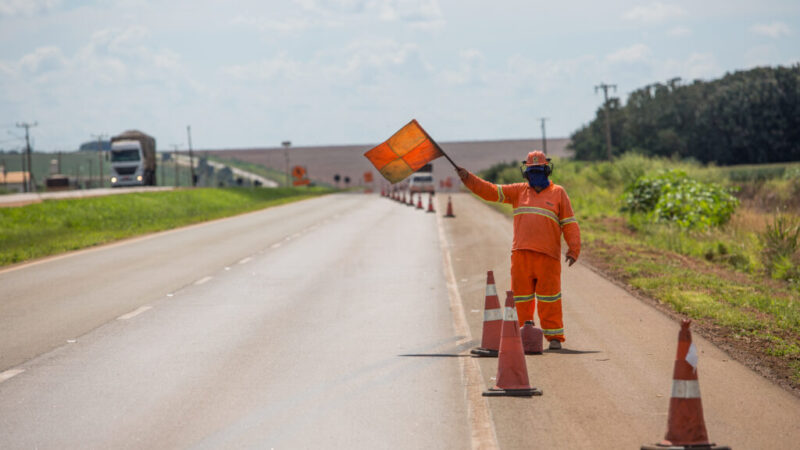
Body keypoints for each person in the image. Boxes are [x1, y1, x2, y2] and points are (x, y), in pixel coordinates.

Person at [455, 151, 580, 350]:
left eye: (539, 171)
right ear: (526, 173)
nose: (536, 175)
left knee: (550, 298)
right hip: (521, 255)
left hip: (548, 257)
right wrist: (469, 178)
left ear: (547, 170)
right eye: (533, 171)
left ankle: (554, 337)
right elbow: (491, 191)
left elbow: (569, 223)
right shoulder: (518, 191)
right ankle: (523, 332)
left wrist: (574, 248)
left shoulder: (559, 193)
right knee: (521, 298)